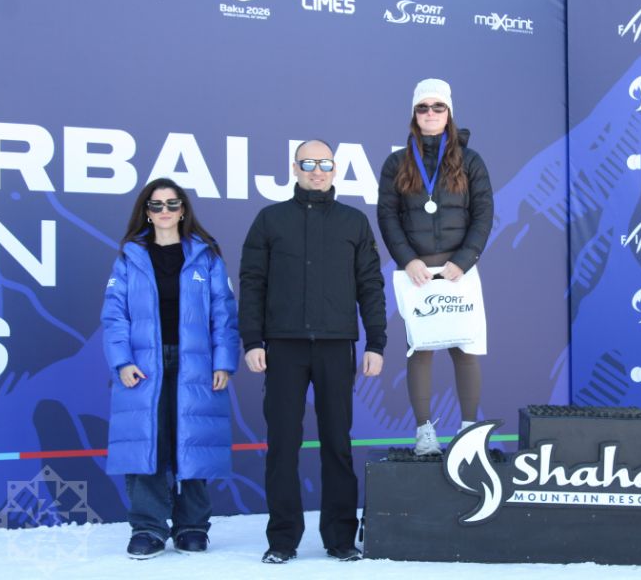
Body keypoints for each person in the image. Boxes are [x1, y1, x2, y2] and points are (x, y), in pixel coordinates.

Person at [239, 139, 386, 564]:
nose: (316, 170)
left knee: (337, 442)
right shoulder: (269, 220)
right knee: (282, 445)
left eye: (324, 163)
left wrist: (376, 342)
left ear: (335, 169)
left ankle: (340, 538)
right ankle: (282, 540)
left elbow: (370, 286)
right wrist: (252, 341)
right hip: (283, 347)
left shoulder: (354, 222)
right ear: (294, 168)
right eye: (308, 163)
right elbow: (252, 283)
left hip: (337, 346)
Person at [101, 177, 239, 559]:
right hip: (144, 366)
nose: (165, 211)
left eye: (172, 204)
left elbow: (224, 315)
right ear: (146, 212)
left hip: (196, 363)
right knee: (147, 443)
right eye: (156, 204)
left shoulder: (206, 257)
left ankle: (192, 526)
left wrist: (224, 362)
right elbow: (114, 316)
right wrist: (122, 361)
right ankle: (148, 529)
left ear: (183, 210)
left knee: (192, 442)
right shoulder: (130, 257)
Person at [377, 78, 494, 455]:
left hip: (460, 271)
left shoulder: (470, 161)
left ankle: (469, 430)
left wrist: (464, 260)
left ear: (449, 113)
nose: (430, 113)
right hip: (418, 273)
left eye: (438, 106)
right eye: (423, 107)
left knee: (466, 348)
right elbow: (387, 217)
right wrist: (407, 260)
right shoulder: (396, 163)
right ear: (414, 114)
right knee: (420, 349)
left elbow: (484, 215)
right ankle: (424, 432)